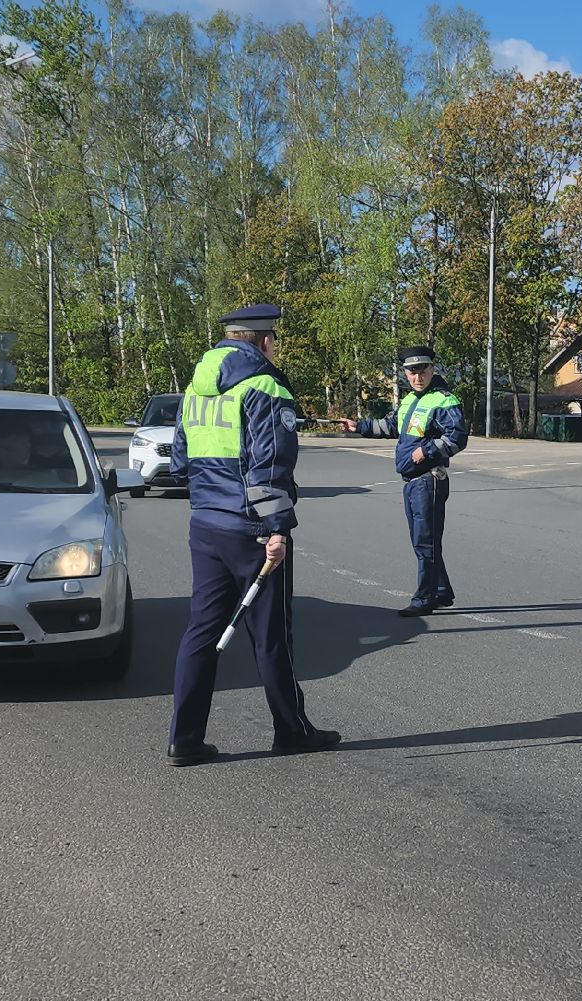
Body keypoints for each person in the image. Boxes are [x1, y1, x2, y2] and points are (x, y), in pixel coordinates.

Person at [166, 303, 340, 766]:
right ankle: (291, 731)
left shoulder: (194, 389)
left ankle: (184, 739)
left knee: (201, 631)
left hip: (205, 523)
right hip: (251, 529)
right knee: (271, 635)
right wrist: (277, 528)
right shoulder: (265, 386)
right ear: (265, 341)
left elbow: (179, 463)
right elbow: (271, 464)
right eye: (274, 340)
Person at [339, 346, 469, 616]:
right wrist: (359, 426)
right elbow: (391, 426)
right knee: (423, 540)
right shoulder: (410, 400)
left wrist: (427, 451)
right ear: (406, 373)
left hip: (429, 480)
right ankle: (440, 591)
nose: (417, 377)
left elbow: (457, 437)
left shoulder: (443, 400)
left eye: (422, 371)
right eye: (412, 372)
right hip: (413, 481)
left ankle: (424, 599)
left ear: (432, 369)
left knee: (425, 542)